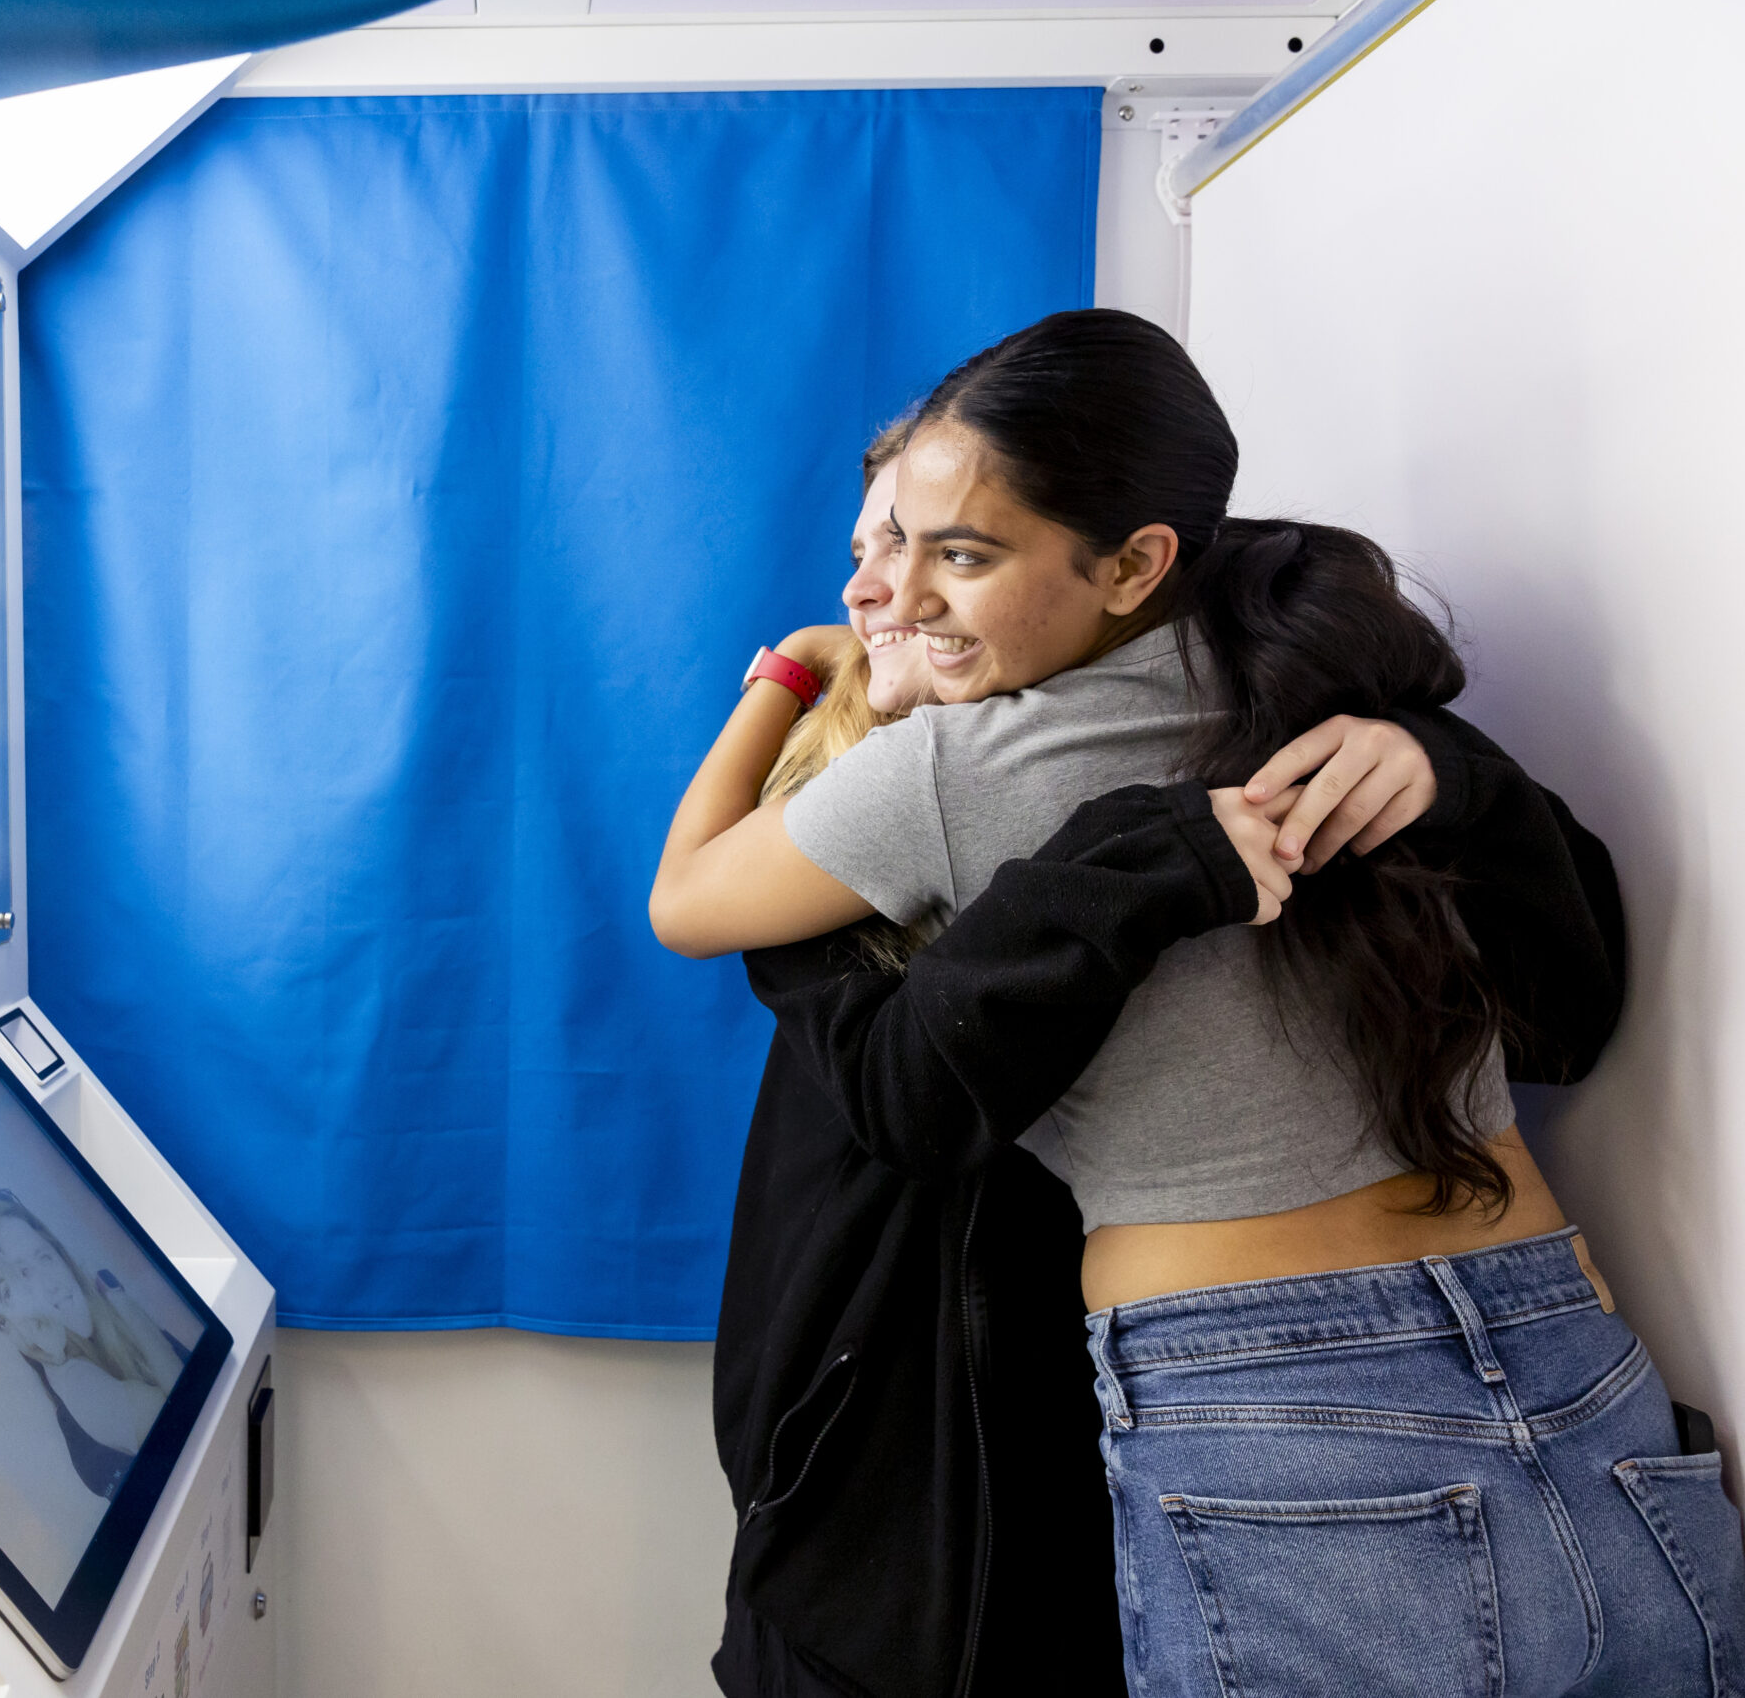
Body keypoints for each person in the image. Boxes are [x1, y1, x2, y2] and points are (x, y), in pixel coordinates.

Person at [658, 307, 1742, 1695]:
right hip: (1564, 1344)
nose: (904, 593)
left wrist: (802, 672)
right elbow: (1569, 1012)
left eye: (961, 554)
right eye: (887, 545)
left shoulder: (955, 770)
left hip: (1270, 1403)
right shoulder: (1328, 694)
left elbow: (689, 900)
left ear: (1133, 562)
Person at [0, 1194, 184, 1499]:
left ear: (62, 1254)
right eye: (0, 1322)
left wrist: (126, 1310)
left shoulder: (116, 1332)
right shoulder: (82, 1391)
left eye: (43, 1259)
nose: (23, 1329)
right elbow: (189, 1437)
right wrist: (125, 1305)